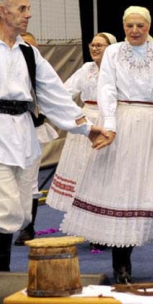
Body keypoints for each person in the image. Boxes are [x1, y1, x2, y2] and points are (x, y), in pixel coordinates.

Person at [0, 0, 107, 286]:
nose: (28, 13)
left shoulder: (28, 52)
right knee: (4, 212)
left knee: (20, 216)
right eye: (23, 8)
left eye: (28, 8)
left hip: (22, 135)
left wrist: (85, 127)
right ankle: (1, 281)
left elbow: (54, 93)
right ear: (3, 11)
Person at [60, 6, 153, 284]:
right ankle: (121, 261)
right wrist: (111, 126)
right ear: (123, 26)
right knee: (120, 188)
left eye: (140, 25)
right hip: (123, 122)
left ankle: (131, 246)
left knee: (146, 189)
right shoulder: (113, 52)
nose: (134, 31)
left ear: (149, 26)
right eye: (129, 26)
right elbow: (106, 89)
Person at [46, 32, 117, 212]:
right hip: (86, 118)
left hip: (108, 120)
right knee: (81, 166)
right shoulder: (87, 68)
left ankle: (104, 209)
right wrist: (76, 115)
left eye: (99, 45)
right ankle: (82, 211)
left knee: (102, 168)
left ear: (111, 49)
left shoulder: (118, 71)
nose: (94, 48)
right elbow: (64, 93)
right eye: (92, 44)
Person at [13, 32, 59, 246]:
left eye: (31, 46)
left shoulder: (41, 73)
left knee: (29, 180)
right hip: (7, 136)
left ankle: (27, 227)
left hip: (33, 134)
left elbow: (56, 97)